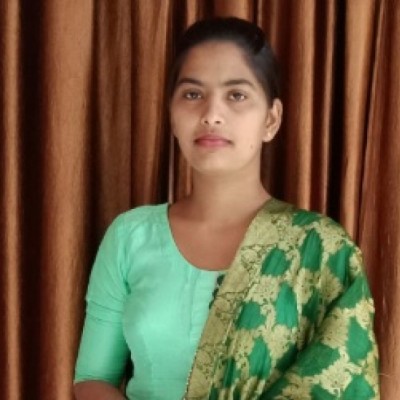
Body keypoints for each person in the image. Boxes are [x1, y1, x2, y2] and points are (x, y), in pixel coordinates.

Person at [73, 17, 379, 400]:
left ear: (271, 119)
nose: (211, 114)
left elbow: (344, 382)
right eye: (192, 94)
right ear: (171, 115)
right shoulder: (130, 236)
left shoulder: (321, 250)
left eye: (236, 95)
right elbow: (92, 378)